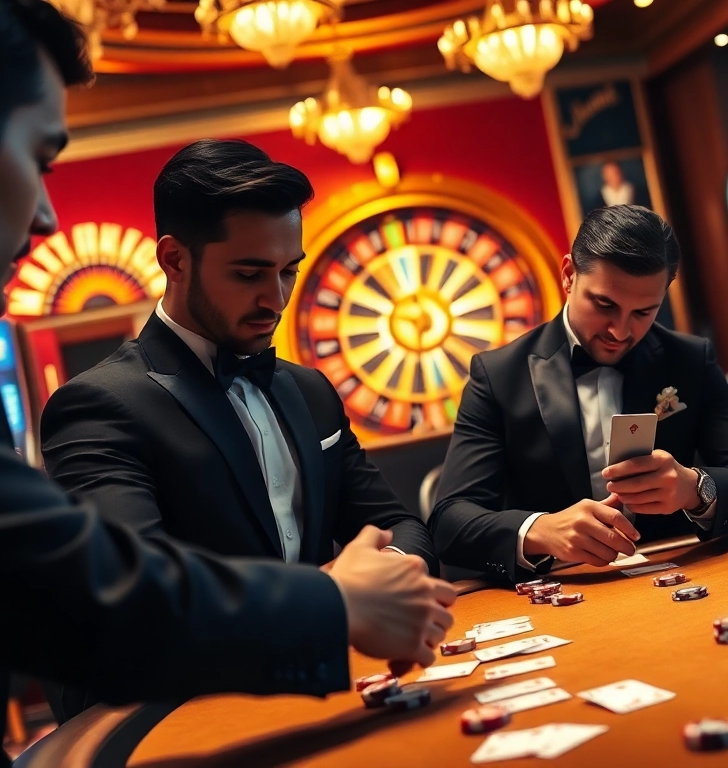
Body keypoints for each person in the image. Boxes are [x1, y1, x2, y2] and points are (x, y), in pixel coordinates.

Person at [0, 3, 453, 764]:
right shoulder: (44, 390)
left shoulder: (305, 387)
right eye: (41, 160)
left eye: (286, 272)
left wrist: (381, 585)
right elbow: (91, 599)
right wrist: (335, 603)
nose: (48, 218)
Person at [41, 139, 436, 572]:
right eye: (249, 274)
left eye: (289, 271)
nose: (277, 300)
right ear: (174, 260)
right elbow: (140, 587)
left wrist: (390, 565)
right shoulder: (98, 407)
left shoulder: (310, 390)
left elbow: (399, 526)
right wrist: (331, 594)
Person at [431, 205, 728, 582]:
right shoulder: (499, 375)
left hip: (679, 572)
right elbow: (449, 522)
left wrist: (695, 489)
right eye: (604, 305)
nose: (620, 331)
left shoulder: (688, 360)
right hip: (561, 585)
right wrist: (539, 530)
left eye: (643, 312)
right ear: (569, 275)